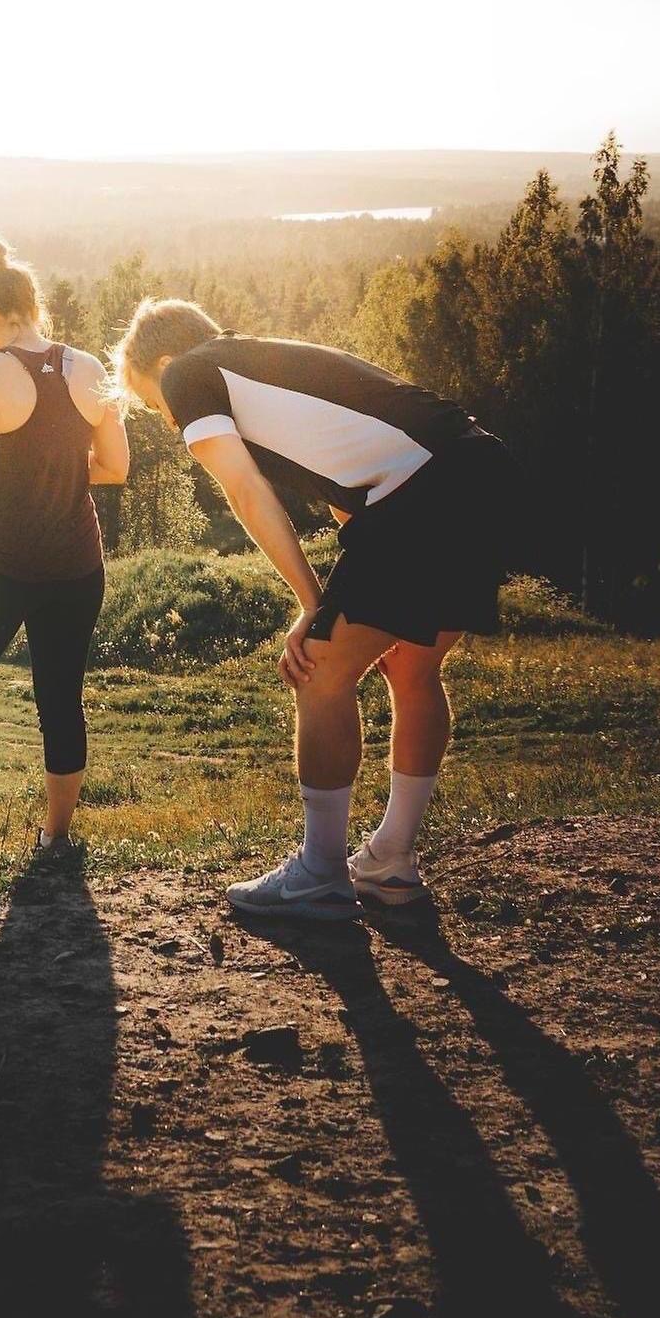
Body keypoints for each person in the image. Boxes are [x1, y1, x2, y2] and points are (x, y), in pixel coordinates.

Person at [112, 299, 512, 922]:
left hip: (428, 490)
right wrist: (338, 604)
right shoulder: (260, 362)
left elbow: (245, 492)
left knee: (318, 671)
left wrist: (314, 607)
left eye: (151, 403)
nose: (168, 419)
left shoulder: (188, 372)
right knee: (411, 669)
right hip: (481, 471)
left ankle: (322, 873)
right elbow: (351, 483)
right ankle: (391, 864)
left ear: (162, 364)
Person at [0, 240, 129, 864]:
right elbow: (115, 466)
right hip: (77, 565)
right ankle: (56, 840)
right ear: (33, 307)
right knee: (60, 701)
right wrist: (59, 468)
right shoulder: (90, 368)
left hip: (3, 564)